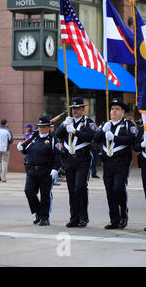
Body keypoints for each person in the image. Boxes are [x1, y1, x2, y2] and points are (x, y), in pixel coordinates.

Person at [94, 98, 136, 230]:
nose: (114, 111)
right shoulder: (106, 125)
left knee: (118, 188)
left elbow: (131, 139)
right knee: (110, 191)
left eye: (117, 109)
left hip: (121, 162)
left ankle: (123, 215)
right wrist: (101, 131)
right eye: (112, 109)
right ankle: (114, 219)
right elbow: (95, 139)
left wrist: (115, 138)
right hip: (108, 163)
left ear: (123, 111)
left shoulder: (128, 124)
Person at [56, 97, 96, 228]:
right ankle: (74, 217)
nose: (75, 111)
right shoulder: (68, 121)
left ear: (83, 109)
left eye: (78, 108)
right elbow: (57, 135)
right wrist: (63, 125)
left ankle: (83, 217)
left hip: (82, 159)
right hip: (69, 159)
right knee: (71, 190)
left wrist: (74, 131)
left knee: (80, 187)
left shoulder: (88, 122)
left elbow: (90, 137)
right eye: (73, 109)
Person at [16, 116, 61, 226]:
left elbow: (57, 156)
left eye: (43, 127)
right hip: (31, 171)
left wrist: (55, 169)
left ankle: (44, 218)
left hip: (46, 172)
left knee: (45, 195)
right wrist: (21, 147)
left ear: (48, 128)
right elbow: (26, 151)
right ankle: (38, 212)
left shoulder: (53, 139)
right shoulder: (33, 138)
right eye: (39, 127)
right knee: (29, 192)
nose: (41, 129)